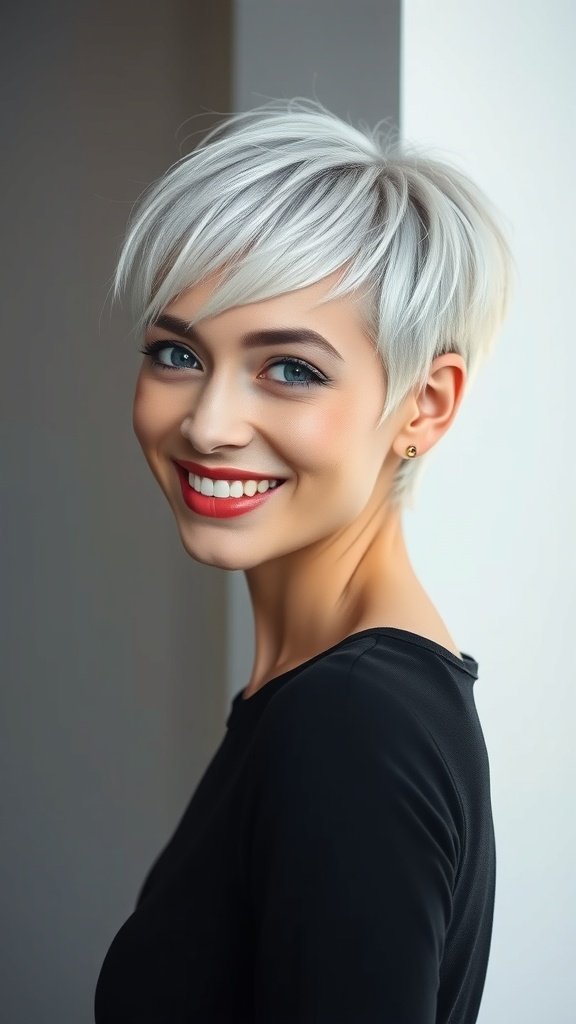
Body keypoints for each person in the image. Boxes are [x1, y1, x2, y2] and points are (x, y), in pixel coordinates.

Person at [94, 98, 512, 1023]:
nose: (207, 424)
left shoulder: (352, 725)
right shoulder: (332, 701)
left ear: (425, 407)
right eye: (177, 353)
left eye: (290, 369)